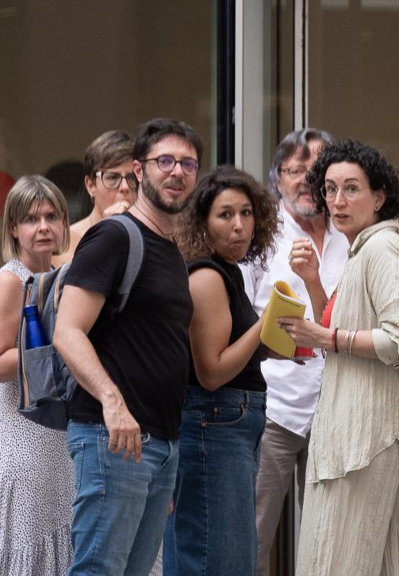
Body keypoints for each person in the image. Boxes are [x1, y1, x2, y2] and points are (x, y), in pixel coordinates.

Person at [276, 139, 399, 576]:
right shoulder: (366, 250)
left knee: (335, 565)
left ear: (380, 197)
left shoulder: (382, 250)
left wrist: (328, 335)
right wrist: (313, 281)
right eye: (330, 189)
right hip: (376, 437)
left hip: (368, 440)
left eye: (351, 189)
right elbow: (336, 330)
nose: (337, 201)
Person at [54, 118, 203, 576]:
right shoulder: (116, 237)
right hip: (113, 438)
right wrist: (113, 403)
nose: (177, 172)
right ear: (139, 170)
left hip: (158, 445)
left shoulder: (171, 251)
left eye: (188, 163)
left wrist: (169, 452)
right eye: (165, 161)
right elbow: (67, 331)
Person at [244, 128, 349, 576]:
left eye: (316, 170)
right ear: (277, 180)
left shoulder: (351, 236)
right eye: (295, 170)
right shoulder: (258, 237)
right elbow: (237, 319)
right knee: (253, 534)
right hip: (273, 406)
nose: (306, 180)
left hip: (338, 406)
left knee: (330, 541)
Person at [163, 167, 279, 575]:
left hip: (225, 424)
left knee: (221, 554)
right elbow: (211, 372)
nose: (239, 226)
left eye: (247, 214)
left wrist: (273, 345)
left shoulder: (228, 272)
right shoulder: (208, 276)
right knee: (220, 559)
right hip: (215, 423)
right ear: (202, 222)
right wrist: (264, 328)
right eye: (225, 215)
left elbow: (232, 354)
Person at [0, 175, 74, 575]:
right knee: (22, 558)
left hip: (55, 441)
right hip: (15, 442)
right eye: (31, 218)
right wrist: (58, 345)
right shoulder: (11, 280)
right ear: (14, 227)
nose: (43, 226)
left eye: (51, 216)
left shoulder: (64, 274)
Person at [55, 130, 139, 264]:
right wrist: (107, 233)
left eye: (132, 178)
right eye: (112, 177)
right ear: (90, 186)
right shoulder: (65, 243)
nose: (124, 187)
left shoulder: (151, 236)